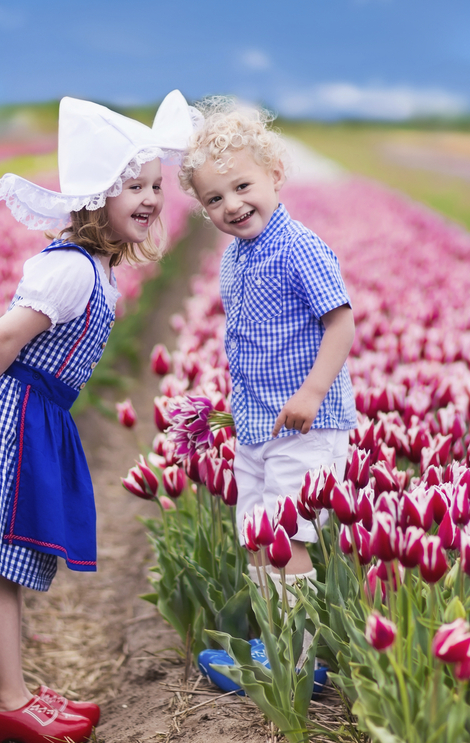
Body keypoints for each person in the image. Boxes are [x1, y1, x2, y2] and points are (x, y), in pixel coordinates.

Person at [0, 91, 197, 743]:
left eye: (154, 185)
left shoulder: (97, 270)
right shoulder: (70, 273)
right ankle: (4, 695)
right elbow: (3, 338)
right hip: (6, 415)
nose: (149, 197)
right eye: (131, 185)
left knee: (11, 563)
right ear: (93, 197)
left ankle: (16, 687)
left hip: (35, 415)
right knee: (0, 562)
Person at [178, 100, 357, 604]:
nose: (231, 205)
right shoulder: (235, 256)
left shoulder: (299, 246)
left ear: (275, 175)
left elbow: (341, 323)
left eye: (242, 187)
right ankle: (275, 644)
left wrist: (312, 393)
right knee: (257, 535)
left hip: (306, 424)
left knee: (286, 536)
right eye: (214, 199)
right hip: (257, 424)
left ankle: (297, 658)